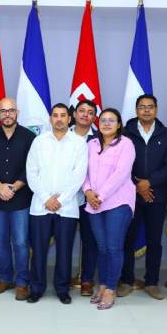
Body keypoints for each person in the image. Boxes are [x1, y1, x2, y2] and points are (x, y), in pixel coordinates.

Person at [26, 104, 88, 304]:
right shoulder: (39, 141)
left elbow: (79, 176)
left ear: (69, 119)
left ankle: (62, 289)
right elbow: (31, 173)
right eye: (55, 115)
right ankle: (36, 288)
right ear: (50, 119)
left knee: (64, 251)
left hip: (67, 207)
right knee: (38, 250)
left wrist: (60, 201)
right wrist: (46, 198)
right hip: (40, 206)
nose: (59, 119)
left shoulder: (79, 143)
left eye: (63, 115)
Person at [119, 94, 167, 300]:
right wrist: (137, 184)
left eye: (150, 107)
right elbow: (119, 164)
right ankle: (126, 280)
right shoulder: (125, 132)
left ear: (156, 110)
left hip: (156, 196)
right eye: (142, 107)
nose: (146, 110)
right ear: (136, 110)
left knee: (154, 241)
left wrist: (148, 183)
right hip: (129, 195)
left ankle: (152, 282)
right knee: (127, 239)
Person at [0, 97, 35, 299]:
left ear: (17, 113)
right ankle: (5, 278)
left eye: (11, 110)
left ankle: (22, 282)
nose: (7, 114)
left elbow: (33, 167)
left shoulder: (30, 137)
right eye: (3, 111)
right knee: (1, 241)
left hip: (21, 199)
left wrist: (14, 187)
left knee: (20, 242)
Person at [83, 108, 136, 310]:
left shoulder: (126, 144)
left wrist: (100, 196)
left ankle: (111, 289)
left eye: (111, 120)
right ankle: (103, 284)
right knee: (102, 247)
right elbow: (83, 171)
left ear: (119, 124)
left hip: (118, 203)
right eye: (103, 120)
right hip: (94, 203)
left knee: (114, 247)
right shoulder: (91, 144)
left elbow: (121, 174)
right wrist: (88, 191)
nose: (106, 123)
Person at [70, 100, 98, 297]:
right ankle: (62, 277)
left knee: (90, 240)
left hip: (90, 199)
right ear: (74, 114)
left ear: (94, 117)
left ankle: (87, 279)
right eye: (81, 111)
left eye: (90, 112)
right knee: (64, 240)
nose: (85, 115)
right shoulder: (62, 135)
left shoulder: (99, 139)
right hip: (65, 198)